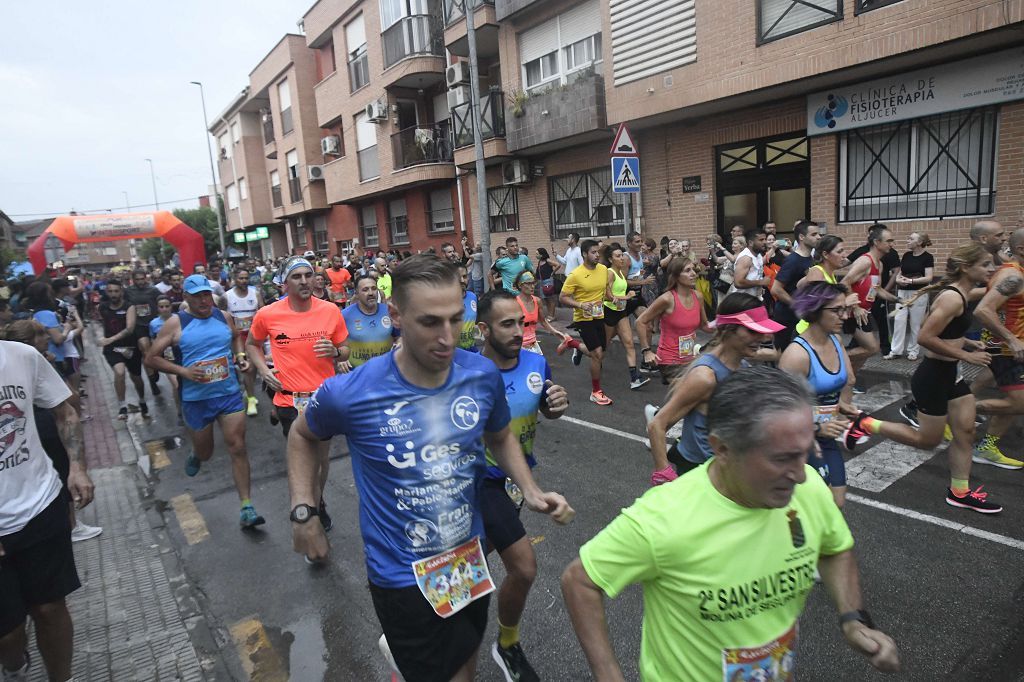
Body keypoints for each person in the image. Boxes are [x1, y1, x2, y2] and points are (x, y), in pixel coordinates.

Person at [287, 255, 574, 682]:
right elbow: (302, 436)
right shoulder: (351, 392)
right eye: (429, 323)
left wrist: (530, 489)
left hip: (465, 561)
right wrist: (304, 511)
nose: (446, 338)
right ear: (396, 316)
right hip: (401, 573)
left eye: (456, 320)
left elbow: (499, 436)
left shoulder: (479, 374)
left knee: (464, 663)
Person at [563, 366, 900, 680]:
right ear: (722, 449)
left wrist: (852, 619)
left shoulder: (809, 487)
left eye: (804, 452)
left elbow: (834, 548)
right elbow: (580, 582)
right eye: (781, 458)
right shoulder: (664, 517)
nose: (799, 474)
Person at [476, 288, 570, 682]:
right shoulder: (466, 372)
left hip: (516, 482)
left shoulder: (535, 362)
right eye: (507, 324)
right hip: (478, 482)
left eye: (521, 322)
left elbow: (546, 408)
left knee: (472, 564)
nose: (519, 331)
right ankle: (507, 645)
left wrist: (556, 405)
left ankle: (411, 626)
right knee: (524, 568)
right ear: (484, 329)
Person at [0, 337, 95, 682]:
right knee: (7, 633)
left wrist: (77, 467)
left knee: (50, 608)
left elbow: (66, 411)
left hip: (39, 504)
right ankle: (13, 664)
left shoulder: (22, 357)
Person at [145, 275, 266, 529]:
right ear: (186, 298)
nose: (204, 300)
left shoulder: (223, 316)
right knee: (206, 451)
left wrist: (240, 356)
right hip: (196, 399)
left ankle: (247, 506)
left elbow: (235, 337)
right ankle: (197, 455)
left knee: (237, 446)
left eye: (206, 294)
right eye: (197, 295)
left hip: (229, 393)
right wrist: (184, 372)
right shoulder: (176, 324)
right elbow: (152, 358)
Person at [247, 257, 349, 528]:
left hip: (322, 397)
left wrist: (336, 352)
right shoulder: (268, 314)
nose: (304, 281)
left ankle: (319, 500)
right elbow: (251, 344)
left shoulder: (330, 311)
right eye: (296, 276)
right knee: (304, 459)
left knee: (322, 459)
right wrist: (263, 370)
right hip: (289, 399)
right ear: (285, 283)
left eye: (308, 275)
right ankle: (309, 515)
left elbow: (345, 348)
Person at [644, 294, 784, 485]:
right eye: (753, 331)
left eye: (762, 331)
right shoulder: (705, 377)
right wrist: (664, 474)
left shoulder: (742, 366)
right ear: (727, 330)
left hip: (726, 469)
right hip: (699, 473)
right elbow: (657, 425)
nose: (763, 337)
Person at [780, 283, 857, 506]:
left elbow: (830, 389)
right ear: (814, 310)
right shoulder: (797, 355)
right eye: (836, 310)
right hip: (800, 441)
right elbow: (781, 410)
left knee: (837, 502)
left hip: (826, 438)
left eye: (845, 309)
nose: (844, 316)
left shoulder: (835, 340)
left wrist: (841, 405)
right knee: (811, 507)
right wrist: (816, 427)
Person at [972, 228, 1024, 468]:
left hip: (1012, 348)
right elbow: (983, 310)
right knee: (1018, 402)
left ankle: (988, 446)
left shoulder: (1016, 272)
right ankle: (957, 408)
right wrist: (1012, 339)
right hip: (1007, 349)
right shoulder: (1012, 276)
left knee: (1016, 401)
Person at [637, 257, 712, 385]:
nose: (693, 273)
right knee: (689, 394)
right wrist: (647, 351)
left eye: (693, 269)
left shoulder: (698, 296)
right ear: (676, 276)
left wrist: (727, 326)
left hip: (689, 358)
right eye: (687, 270)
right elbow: (640, 322)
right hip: (669, 360)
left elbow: (705, 326)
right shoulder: (667, 299)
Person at [560, 240, 614, 405]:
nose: (597, 255)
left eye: (598, 252)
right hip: (583, 318)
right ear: (584, 254)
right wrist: (580, 304)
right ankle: (596, 391)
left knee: (599, 355)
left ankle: (573, 344)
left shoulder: (604, 269)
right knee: (597, 354)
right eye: (593, 252)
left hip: (600, 316)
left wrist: (618, 299)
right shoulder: (576, 275)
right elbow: (562, 298)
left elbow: (606, 292)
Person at [97, 279, 149, 420]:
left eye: (116, 291)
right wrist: (108, 341)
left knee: (136, 378)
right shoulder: (102, 307)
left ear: (121, 291)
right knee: (119, 372)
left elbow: (130, 328)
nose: (113, 294)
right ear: (106, 292)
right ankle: (122, 406)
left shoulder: (129, 307)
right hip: (113, 349)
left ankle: (142, 399)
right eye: (110, 291)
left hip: (130, 346)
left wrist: (110, 339)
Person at [602, 243, 649, 390]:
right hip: (609, 312)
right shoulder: (610, 272)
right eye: (618, 256)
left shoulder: (621, 273)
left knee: (629, 343)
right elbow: (606, 296)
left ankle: (635, 378)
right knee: (602, 347)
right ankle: (579, 348)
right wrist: (627, 297)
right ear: (610, 259)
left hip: (621, 312)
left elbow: (621, 292)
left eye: (622, 255)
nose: (622, 258)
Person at [770, 220, 822, 350]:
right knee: (785, 356)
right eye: (814, 234)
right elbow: (776, 289)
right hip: (787, 317)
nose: (819, 237)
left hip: (800, 317)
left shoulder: (809, 258)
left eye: (819, 234)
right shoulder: (793, 260)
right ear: (801, 237)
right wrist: (797, 305)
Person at [887, 233, 934, 360]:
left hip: (918, 294)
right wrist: (898, 280)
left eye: (911, 239)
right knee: (899, 320)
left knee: (915, 323)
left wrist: (911, 281)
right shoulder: (907, 255)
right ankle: (895, 350)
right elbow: (900, 272)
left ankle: (913, 351)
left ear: (919, 242)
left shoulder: (927, 257)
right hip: (902, 292)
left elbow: (929, 277)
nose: (907, 241)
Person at [225, 267, 264, 417]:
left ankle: (250, 393)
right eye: (241, 278)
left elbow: (262, 313)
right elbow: (222, 317)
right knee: (247, 368)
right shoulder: (227, 296)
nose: (244, 281)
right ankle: (251, 398)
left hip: (253, 337)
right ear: (235, 279)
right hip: (236, 338)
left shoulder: (255, 294)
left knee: (251, 368)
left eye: (246, 278)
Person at [341, 274, 397, 371]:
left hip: (385, 371)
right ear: (356, 293)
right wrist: (340, 359)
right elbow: (336, 343)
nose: (371, 293)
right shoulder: (345, 315)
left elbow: (399, 336)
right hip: (356, 374)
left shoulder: (389, 311)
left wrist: (399, 344)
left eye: (374, 288)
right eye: (365, 290)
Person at [513, 271, 570, 356]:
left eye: (533, 283)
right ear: (520, 285)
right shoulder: (514, 303)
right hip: (517, 346)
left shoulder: (537, 301)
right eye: (528, 284)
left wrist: (556, 332)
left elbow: (543, 321)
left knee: (540, 367)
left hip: (533, 344)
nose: (532, 286)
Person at [125, 269, 163, 396]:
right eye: (137, 279)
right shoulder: (128, 291)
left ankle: (155, 370)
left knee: (156, 352)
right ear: (133, 280)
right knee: (145, 350)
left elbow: (163, 302)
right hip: (139, 325)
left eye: (142, 279)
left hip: (153, 324)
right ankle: (152, 381)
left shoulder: (153, 290)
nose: (140, 282)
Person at [728, 227, 770, 300]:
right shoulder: (746, 258)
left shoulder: (758, 255)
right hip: (742, 301)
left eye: (765, 239)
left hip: (754, 299)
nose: (765, 242)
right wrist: (760, 282)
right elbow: (738, 283)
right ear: (750, 243)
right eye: (761, 240)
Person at [457, 263, 480, 353]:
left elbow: (475, 322)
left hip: (472, 348)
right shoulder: (446, 301)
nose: (462, 280)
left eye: (465, 276)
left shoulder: (473, 296)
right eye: (458, 277)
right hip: (456, 353)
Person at [534, 248, 560, 322]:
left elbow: (558, 265)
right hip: (542, 282)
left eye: (537, 254)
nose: (536, 255)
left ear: (541, 254)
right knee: (546, 299)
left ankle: (552, 316)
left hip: (548, 282)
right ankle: (549, 315)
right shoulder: (540, 261)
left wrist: (552, 273)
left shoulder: (547, 260)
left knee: (550, 299)